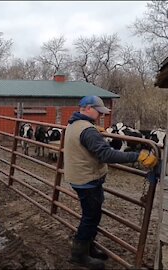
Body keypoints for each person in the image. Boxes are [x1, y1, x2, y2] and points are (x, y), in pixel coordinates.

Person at [64, 95, 158, 269]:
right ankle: (78, 254)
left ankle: (88, 247)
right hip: (88, 179)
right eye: (99, 112)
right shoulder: (88, 131)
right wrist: (137, 155)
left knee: (92, 215)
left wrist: (93, 129)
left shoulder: (73, 124)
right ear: (88, 108)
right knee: (90, 217)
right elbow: (107, 155)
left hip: (79, 177)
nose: (101, 115)